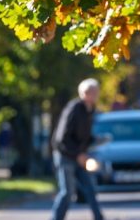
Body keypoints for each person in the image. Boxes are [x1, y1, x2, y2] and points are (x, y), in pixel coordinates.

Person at [50, 78, 104, 220]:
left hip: (79, 156)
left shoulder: (90, 110)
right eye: (93, 91)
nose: (96, 94)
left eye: (96, 91)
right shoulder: (73, 108)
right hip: (65, 155)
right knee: (67, 192)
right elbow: (62, 139)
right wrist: (78, 154)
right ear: (85, 93)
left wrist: (96, 140)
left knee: (90, 190)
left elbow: (83, 136)